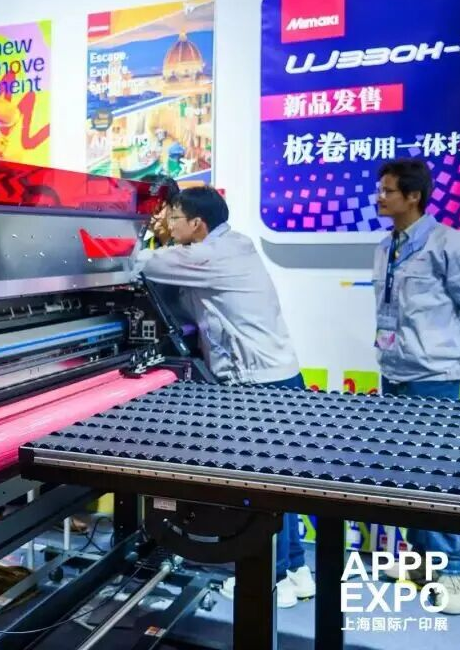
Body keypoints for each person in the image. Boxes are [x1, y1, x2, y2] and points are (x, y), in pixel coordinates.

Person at [138, 186, 315, 609]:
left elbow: (142, 263)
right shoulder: (231, 246)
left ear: (197, 224)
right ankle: (295, 569)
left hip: (260, 388)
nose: (168, 225)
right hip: (276, 380)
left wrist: (127, 241)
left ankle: (271, 580)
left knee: (263, 487)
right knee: (280, 482)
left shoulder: (211, 256)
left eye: (174, 218)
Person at [372, 159, 460, 615]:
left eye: (388, 191)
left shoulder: (448, 243)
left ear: (414, 196)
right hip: (395, 369)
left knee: (437, 474)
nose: (380, 198)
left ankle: (453, 570)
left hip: (435, 375)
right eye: (380, 189)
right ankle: (419, 561)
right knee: (406, 472)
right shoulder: (385, 245)